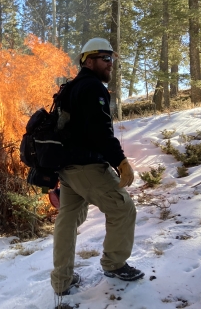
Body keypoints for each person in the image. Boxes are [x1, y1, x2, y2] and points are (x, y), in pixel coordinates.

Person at [51, 37, 144, 296]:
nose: (110, 64)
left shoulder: (71, 87)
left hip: (67, 168)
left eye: (112, 59)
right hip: (86, 166)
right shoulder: (92, 87)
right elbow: (99, 131)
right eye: (105, 58)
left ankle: (62, 280)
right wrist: (120, 161)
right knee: (123, 208)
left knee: (67, 220)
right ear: (88, 60)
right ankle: (114, 264)